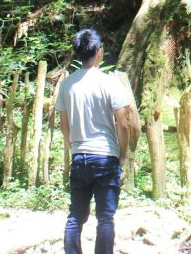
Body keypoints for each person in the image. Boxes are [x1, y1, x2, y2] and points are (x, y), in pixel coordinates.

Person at [56, 28, 139, 254]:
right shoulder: (110, 83)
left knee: (75, 216)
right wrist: (122, 153)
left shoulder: (67, 84)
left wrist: (70, 143)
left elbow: (63, 122)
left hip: (80, 155)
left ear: (78, 53)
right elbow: (123, 123)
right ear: (99, 52)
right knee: (105, 218)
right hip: (105, 156)